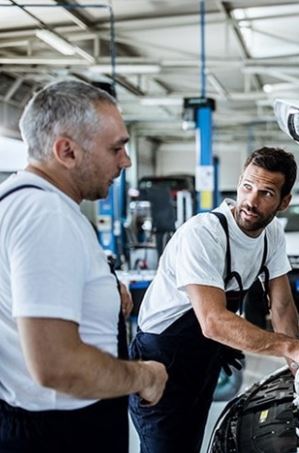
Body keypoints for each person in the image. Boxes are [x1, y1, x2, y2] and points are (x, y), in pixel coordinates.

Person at [130, 147, 299, 453]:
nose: (251, 200)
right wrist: (294, 347)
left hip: (203, 358)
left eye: (266, 193)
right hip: (162, 357)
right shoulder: (204, 234)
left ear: (284, 202)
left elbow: (283, 306)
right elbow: (212, 321)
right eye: (247, 187)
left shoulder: (272, 234)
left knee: (191, 444)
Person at [0, 80, 168, 453]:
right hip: (61, 432)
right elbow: (57, 364)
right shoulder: (45, 215)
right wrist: (144, 376)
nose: (125, 161)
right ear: (67, 151)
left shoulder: (17, 200)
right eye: (117, 148)